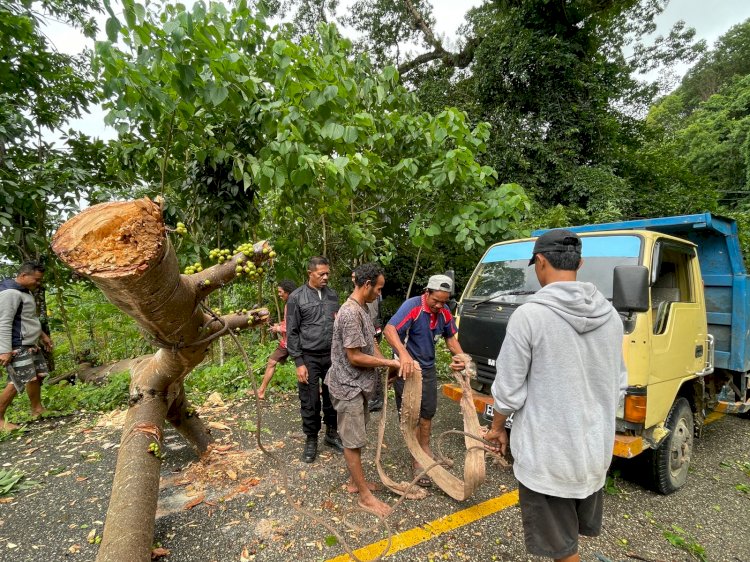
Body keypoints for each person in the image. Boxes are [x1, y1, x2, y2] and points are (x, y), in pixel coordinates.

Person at [484, 229, 628, 562]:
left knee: (562, 551)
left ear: (541, 261)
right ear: (580, 262)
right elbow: (618, 382)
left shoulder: (529, 316)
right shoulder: (611, 318)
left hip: (548, 457)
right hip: (592, 453)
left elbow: (507, 391)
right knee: (569, 536)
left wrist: (498, 427)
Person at [328, 263, 401, 516]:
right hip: (347, 387)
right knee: (352, 440)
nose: (379, 293)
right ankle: (364, 496)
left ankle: (354, 483)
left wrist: (384, 369)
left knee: (356, 437)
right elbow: (355, 357)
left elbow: (370, 344)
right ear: (367, 285)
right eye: (378, 288)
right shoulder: (349, 313)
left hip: (359, 387)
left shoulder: (363, 308)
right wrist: (389, 362)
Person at [383, 274, 465, 487]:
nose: (439, 305)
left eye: (443, 301)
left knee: (428, 413)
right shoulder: (413, 306)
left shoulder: (444, 312)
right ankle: (417, 459)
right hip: (408, 369)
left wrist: (462, 358)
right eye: (435, 300)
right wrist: (403, 354)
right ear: (426, 293)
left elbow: (450, 338)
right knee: (412, 415)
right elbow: (389, 330)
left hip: (427, 369)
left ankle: (425, 450)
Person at [286, 256, 343, 463]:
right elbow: (291, 332)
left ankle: (331, 433)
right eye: (321, 274)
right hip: (308, 357)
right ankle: (311, 440)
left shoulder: (333, 296)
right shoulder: (296, 297)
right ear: (310, 273)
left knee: (332, 397)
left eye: (328, 273)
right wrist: (298, 362)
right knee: (309, 400)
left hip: (331, 356)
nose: (326, 277)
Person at [0, 261, 53, 430]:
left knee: (36, 376)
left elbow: (29, 318)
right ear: (23, 276)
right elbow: (4, 322)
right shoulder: (10, 293)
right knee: (18, 380)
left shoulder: (25, 292)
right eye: (36, 280)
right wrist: (5, 350)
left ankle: (37, 409)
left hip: (29, 342)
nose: (38, 283)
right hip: (17, 344)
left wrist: (43, 335)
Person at [255, 280, 297, 400]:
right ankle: (261, 391)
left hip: (295, 342)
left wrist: (278, 328)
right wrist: (278, 325)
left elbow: (292, 326)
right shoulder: (288, 304)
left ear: (287, 292)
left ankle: (319, 390)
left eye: (280, 292)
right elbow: (288, 322)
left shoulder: (292, 305)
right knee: (272, 362)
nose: (279, 294)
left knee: (306, 366)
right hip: (286, 342)